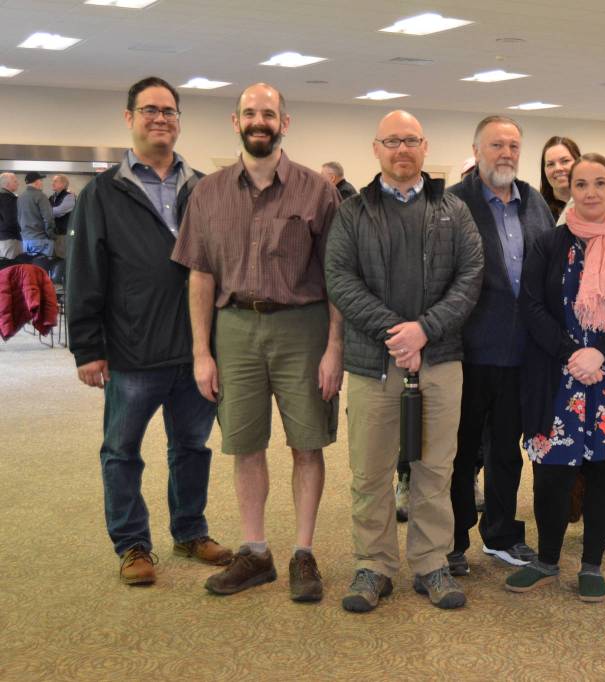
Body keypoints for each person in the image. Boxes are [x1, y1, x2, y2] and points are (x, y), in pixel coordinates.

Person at [172, 83, 343, 602]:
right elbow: (199, 276)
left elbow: (338, 277)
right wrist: (202, 353)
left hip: (304, 327)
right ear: (235, 121)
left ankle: (303, 553)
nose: (259, 121)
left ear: (284, 123)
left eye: (268, 113)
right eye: (250, 113)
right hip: (236, 329)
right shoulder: (208, 192)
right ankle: (256, 552)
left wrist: (336, 349)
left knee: (306, 444)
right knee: (244, 445)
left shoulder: (318, 191)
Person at [66, 76, 231, 586]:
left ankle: (189, 530)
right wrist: (88, 348)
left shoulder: (204, 186)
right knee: (122, 452)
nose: (160, 119)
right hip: (132, 350)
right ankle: (133, 544)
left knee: (192, 448)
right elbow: (85, 272)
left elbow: (222, 266)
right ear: (129, 118)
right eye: (149, 110)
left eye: (169, 111)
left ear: (179, 120)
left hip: (195, 351)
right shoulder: (102, 193)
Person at [326, 110, 483, 612]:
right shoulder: (353, 212)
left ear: (425, 146)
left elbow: (471, 276)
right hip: (374, 361)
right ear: (376, 148)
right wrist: (397, 334)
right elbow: (340, 279)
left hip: (440, 359)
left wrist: (425, 330)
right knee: (370, 471)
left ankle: (431, 563)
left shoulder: (453, 210)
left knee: (435, 467)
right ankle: (373, 565)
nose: (402, 150)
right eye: (391, 141)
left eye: (410, 140)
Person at [506, 153, 605, 602]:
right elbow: (531, 306)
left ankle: (592, 563)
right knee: (551, 473)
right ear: (567, 189)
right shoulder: (548, 245)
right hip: (558, 376)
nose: (590, 192)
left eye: (598, 183)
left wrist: (601, 352)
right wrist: (573, 354)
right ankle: (547, 560)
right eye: (581, 184)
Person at [447, 115, 554, 571]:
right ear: (477, 150)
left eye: (513, 145)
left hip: (520, 354)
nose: (506, 153)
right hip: (466, 351)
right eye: (496, 145)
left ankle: (501, 533)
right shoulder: (454, 203)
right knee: (458, 453)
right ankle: (451, 542)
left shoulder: (534, 204)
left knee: (507, 451)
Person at [539, 136, 581, 219]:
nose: (558, 168)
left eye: (565, 161)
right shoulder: (538, 211)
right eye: (550, 164)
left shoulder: (597, 205)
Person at [18, 171, 55, 258]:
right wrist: (51, 235)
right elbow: (48, 218)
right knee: (43, 269)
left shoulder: (21, 197)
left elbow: (19, 218)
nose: (42, 183)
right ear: (37, 182)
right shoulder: (40, 196)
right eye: (41, 180)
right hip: (41, 240)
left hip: (26, 241)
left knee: (30, 269)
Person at [49, 174, 76, 260]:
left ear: (63, 184)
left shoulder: (69, 196)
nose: (52, 183)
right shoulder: (51, 198)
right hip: (53, 235)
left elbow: (59, 211)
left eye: (55, 181)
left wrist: (45, 212)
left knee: (63, 260)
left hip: (64, 235)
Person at [0, 173, 21, 260]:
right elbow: (11, 220)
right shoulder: (8, 199)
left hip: (2, 237)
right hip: (10, 239)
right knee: (11, 266)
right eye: (15, 181)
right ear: (7, 184)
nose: (18, 183)